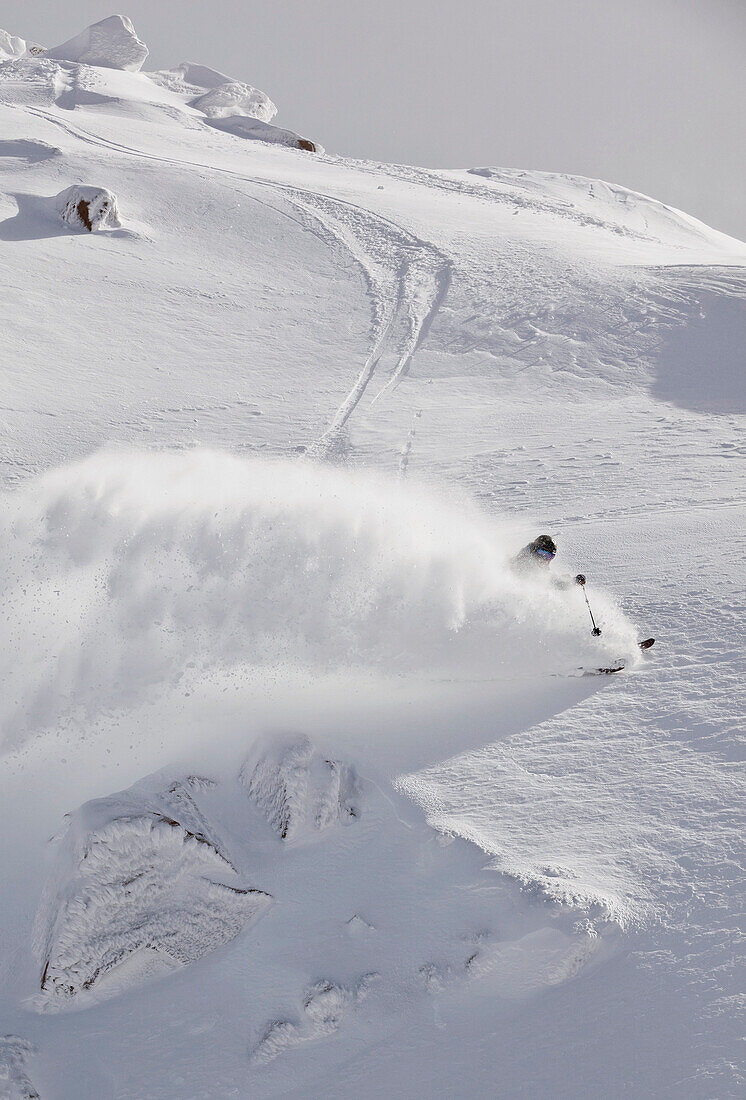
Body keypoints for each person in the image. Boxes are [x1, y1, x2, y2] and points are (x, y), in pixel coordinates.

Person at [512, 534, 586, 590]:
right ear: (534, 550)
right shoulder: (522, 563)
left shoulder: (539, 567)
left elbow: (553, 581)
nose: (545, 559)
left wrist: (573, 581)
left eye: (549, 556)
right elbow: (550, 583)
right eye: (542, 553)